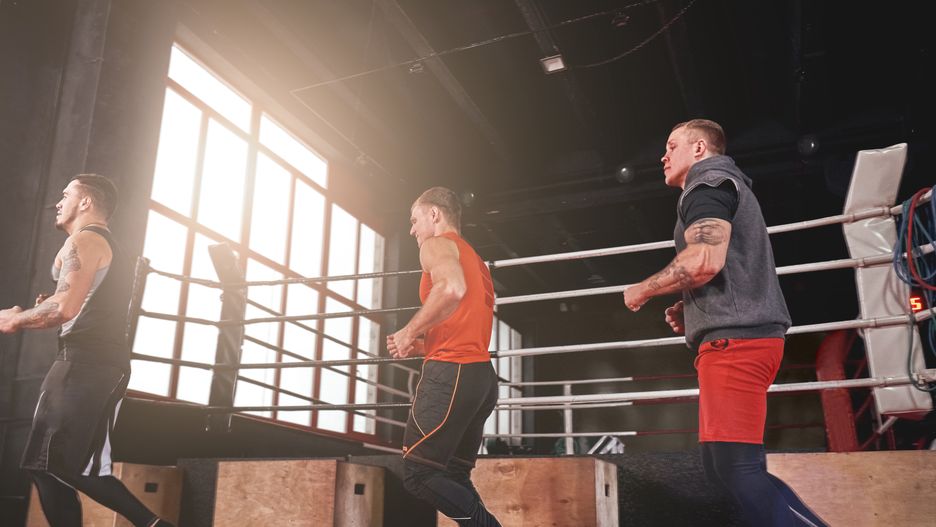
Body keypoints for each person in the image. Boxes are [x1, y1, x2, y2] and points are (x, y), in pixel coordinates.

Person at [622, 120, 827, 526]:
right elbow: (723, 266)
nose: (663, 156)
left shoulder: (708, 183)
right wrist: (693, 305)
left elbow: (703, 260)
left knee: (737, 469)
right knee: (724, 467)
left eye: (672, 145)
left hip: (738, 344)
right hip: (735, 339)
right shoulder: (719, 185)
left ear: (700, 149)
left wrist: (643, 289)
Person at [0, 175, 173, 527]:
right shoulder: (94, 243)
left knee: (63, 463)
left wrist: (16, 321)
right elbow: (77, 301)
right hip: (82, 361)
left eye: (66, 194)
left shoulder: (87, 239)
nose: (59, 201)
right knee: (45, 466)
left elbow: (64, 309)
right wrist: (43, 306)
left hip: (88, 364)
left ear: (86, 202)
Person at [387, 187, 501, 527]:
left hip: (451, 373)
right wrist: (423, 346)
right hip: (479, 378)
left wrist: (409, 331)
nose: (412, 230)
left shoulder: (435, 245)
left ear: (434, 214)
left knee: (418, 474)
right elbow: (463, 324)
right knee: (453, 476)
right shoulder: (475, 260)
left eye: (414, 219)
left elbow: (451, 289)